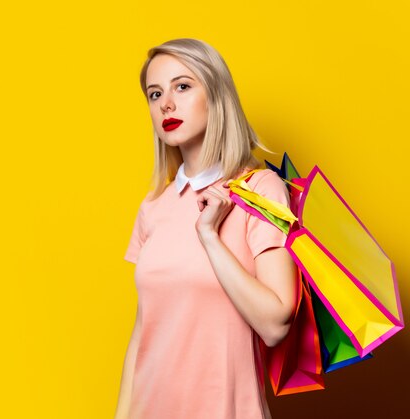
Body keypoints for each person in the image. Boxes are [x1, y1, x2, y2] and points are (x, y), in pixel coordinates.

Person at [114, 38, 299, 419]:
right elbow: (143, 331)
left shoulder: (260, 191)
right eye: (155, 93)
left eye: (182, 86)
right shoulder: (154, 207)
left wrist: (210, 236)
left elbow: (276, 323)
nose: (166, 103)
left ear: (216, 93)